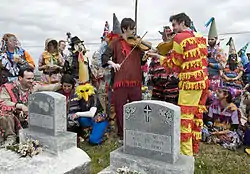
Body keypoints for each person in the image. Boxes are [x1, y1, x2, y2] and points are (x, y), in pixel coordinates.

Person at [147, 13, 209, 156]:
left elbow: (174, 63)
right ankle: (193, 151)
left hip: (190, 84)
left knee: (185, 120)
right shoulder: (199, 37)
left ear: (182, 23)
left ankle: (186, 157)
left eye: (174, 25)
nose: (173, 29)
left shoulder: (180, 38)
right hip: (203, 82)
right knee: (196, 118)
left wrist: (158, 56)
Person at [102, 17, 146, 140]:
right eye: (131, 29)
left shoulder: (137, 44)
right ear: (124, 29)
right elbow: (104, 58)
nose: (133, 31)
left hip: (135, 80)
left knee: (137, 107)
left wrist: (145, 56)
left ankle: (136, 132)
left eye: (134, 28)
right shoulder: (115, 43)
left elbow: (142, 63)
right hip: (120, 82)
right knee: (120, 108)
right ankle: (123, 134)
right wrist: (113, 64)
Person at [0, 67, 60, 146]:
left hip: (27, 116)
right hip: (12, 115)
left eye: (32, 78)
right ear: (20, 78)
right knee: (5, 114)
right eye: (28, 78)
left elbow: (51, 87)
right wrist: (19, 106)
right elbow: (3, 101)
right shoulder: (8, 87)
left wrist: (60, 84)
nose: (31, 81)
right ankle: (10, 138)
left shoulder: (34, 86)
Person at [57, 74, 108, 145]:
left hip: (98, 119)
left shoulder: (93, 97)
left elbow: (91, 113)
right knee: (79, 120)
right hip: (87, 119)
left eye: (86, 90)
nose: (84, 92)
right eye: (82, 91)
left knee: (93, 141)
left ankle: (103, 133)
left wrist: (77, 114)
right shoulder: (80, 97)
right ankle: (88, 132)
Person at [148, 26, 179, 104]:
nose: (166, 37)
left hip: (171, 85)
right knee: (155, 107)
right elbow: (152, 67)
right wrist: (151, 82)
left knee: (170, 107)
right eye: (164, 35)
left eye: (169, 35)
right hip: (157, 85)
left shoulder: (175, 50)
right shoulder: (158, 49)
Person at [205, 17, 226, 90]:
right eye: (209, 39)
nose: (210, 41)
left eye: (212, 39)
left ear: (216, 39)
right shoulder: (206, 49)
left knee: (215, 97)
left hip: (215, 77)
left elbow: (222, 65)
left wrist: (209, 64)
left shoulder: (220, 50)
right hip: (205, 76)